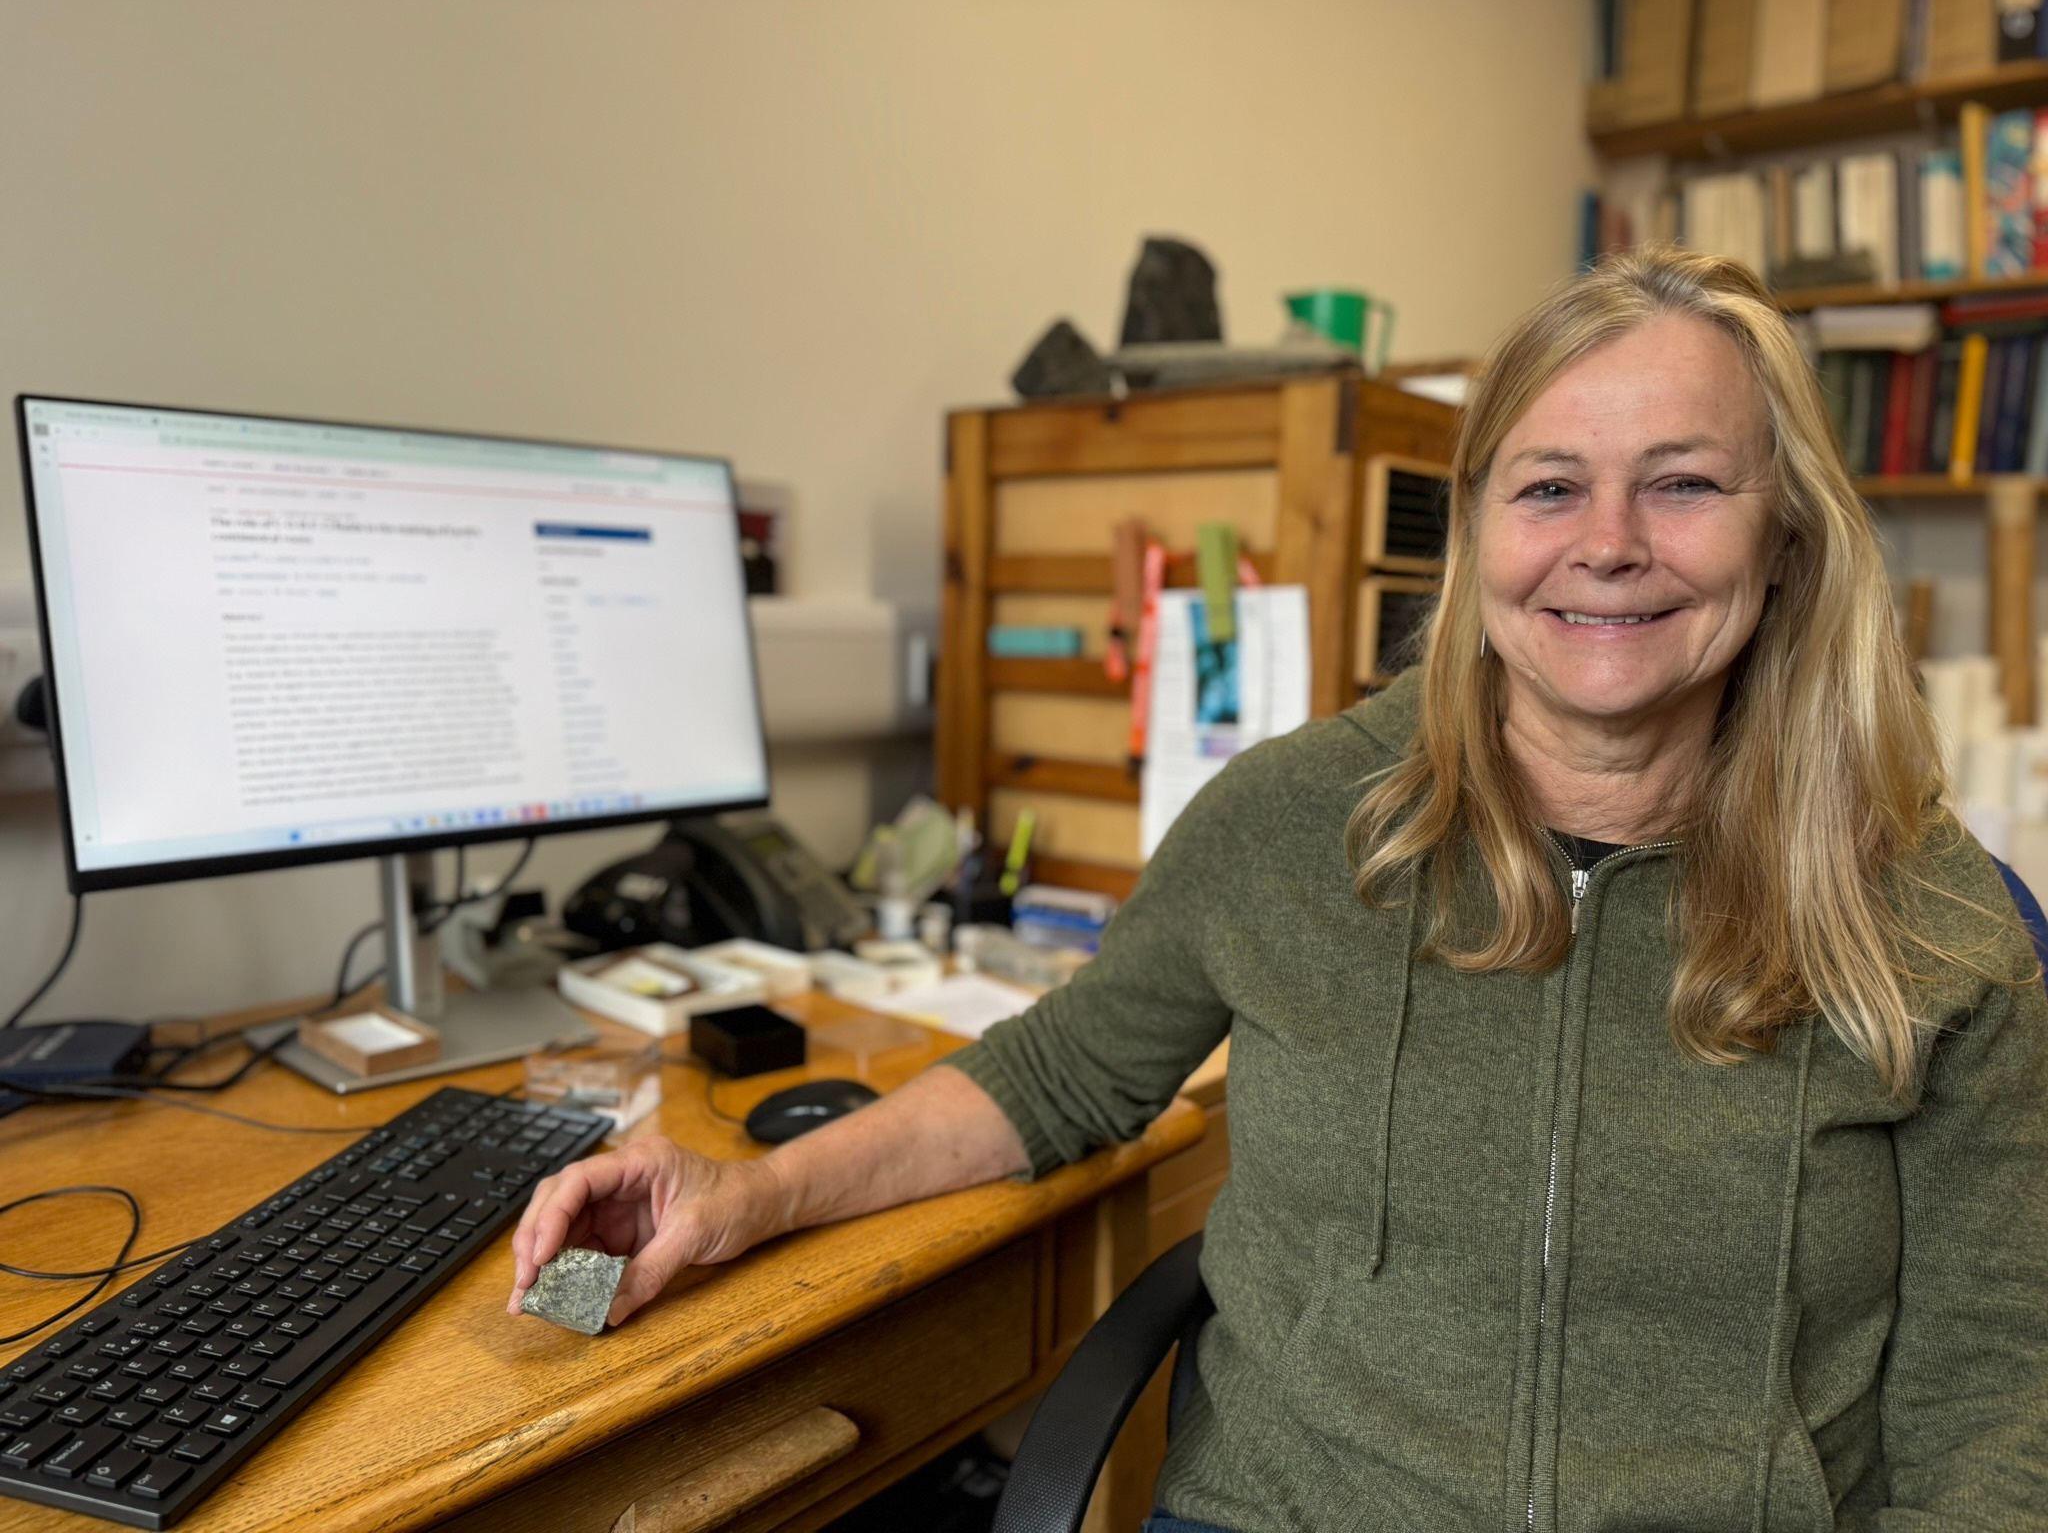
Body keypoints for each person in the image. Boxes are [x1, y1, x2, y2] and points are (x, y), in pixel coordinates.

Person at [509, 247, 2048, 1530]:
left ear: (1786, 540)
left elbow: (1995, 1398)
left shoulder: (1924, 918)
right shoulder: (1300, 820)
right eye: (1549, 487)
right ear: (1475, 534)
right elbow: (1062, 1074)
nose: (1608, 545)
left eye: (1685, 484)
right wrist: (752, 1194)